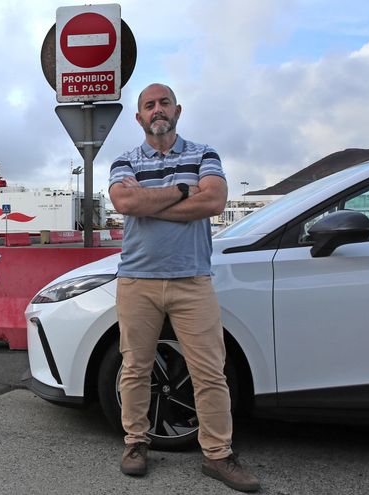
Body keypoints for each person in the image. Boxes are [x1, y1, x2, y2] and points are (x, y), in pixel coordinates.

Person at [107, 83, 260, 493]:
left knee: (209, 372)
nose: (157, 110)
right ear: (139, 117)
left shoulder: (204, 153)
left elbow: (213, 203)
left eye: (164, 103)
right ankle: (136, 444)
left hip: (193, 280)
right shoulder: (124, 160)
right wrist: (180, 191)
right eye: (149, 105)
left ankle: (218, 455)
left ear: (178, 110)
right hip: (137, 280)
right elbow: (125, 204)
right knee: (136, 369)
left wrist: (152, 202)